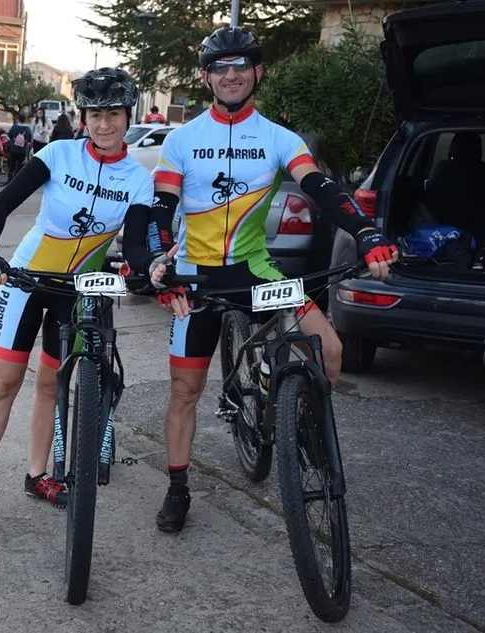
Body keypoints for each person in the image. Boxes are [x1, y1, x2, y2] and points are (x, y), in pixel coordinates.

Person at [131, 26, 399, 535]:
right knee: (185, 391)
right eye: (220, 66)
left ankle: (298, 419)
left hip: (256, 271)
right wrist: (160, 261)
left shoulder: (279, 138)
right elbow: (161, 207)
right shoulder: (183, 139)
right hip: (197, 277)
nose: (230, 75)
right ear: (206, 77)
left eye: (241, 65)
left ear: (258, 72)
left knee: (330, 348)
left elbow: (321, 189)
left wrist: (365, 232)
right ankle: (178, 486)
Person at [0, 67, 157, 535]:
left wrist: (147, 269)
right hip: (27, 280)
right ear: (82, 118)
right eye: (94, 115)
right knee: (4, 383)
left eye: (113, 114)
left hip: (77, 289)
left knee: (51, 385)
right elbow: (2, 203)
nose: (104, 124)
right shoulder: (59, 154)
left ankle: (37, 475)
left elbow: (137, 244)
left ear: (128, 117)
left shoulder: (138, 178)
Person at [6, 113, 33, 180]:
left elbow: (9, 135)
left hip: (13, 149)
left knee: (12, 164)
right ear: (25, 119)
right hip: (22, 150)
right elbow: (30, 139)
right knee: (20, 165)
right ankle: (17, 179)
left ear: (18, 119)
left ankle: (9, 179)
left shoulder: (14, 127)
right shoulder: (27, 129)